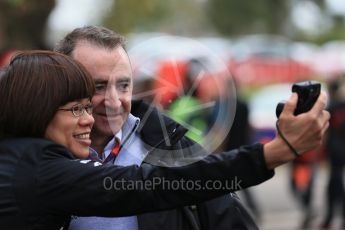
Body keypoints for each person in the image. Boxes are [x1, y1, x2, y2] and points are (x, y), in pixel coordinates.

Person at [1, 50, 323, 230]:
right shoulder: (41, 169)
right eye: (78, 106)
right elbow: (153, 186)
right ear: (39, 107)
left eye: (124, 85)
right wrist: (276, 152)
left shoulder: (173, 145)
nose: (108, 103)